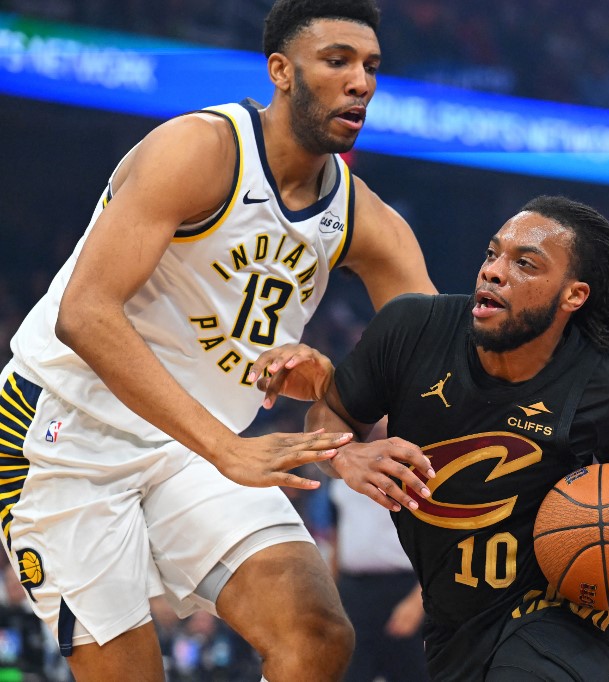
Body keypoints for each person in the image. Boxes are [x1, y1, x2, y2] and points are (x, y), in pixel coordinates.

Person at [0, 0, 435, 679]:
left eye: (371, 67)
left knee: (317, 635)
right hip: (66, 432)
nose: (361, 82)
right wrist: (226, 448)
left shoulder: (367, 220)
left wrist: (334, 389)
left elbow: (434, 373)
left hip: (196, 454)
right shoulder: (200, 150)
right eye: (338, 61)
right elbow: (83, 315)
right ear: (281, 71)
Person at [250, 195, 609, 681]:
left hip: (563, 613)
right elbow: (330, 410)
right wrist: (345, 454)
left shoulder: (605, 382)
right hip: (453, 623)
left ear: (574, 295)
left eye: (524, 263)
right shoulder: (411, 329)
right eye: (492, 254)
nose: (494, 271)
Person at [328, 427, 430, 682]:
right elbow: (339, 538)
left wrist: (418, 602)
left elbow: (439, 545)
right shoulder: (339, 469)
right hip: (354, 591)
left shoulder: (416, 468)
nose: (375, 422)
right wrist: (329, 598)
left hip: (403, 588)